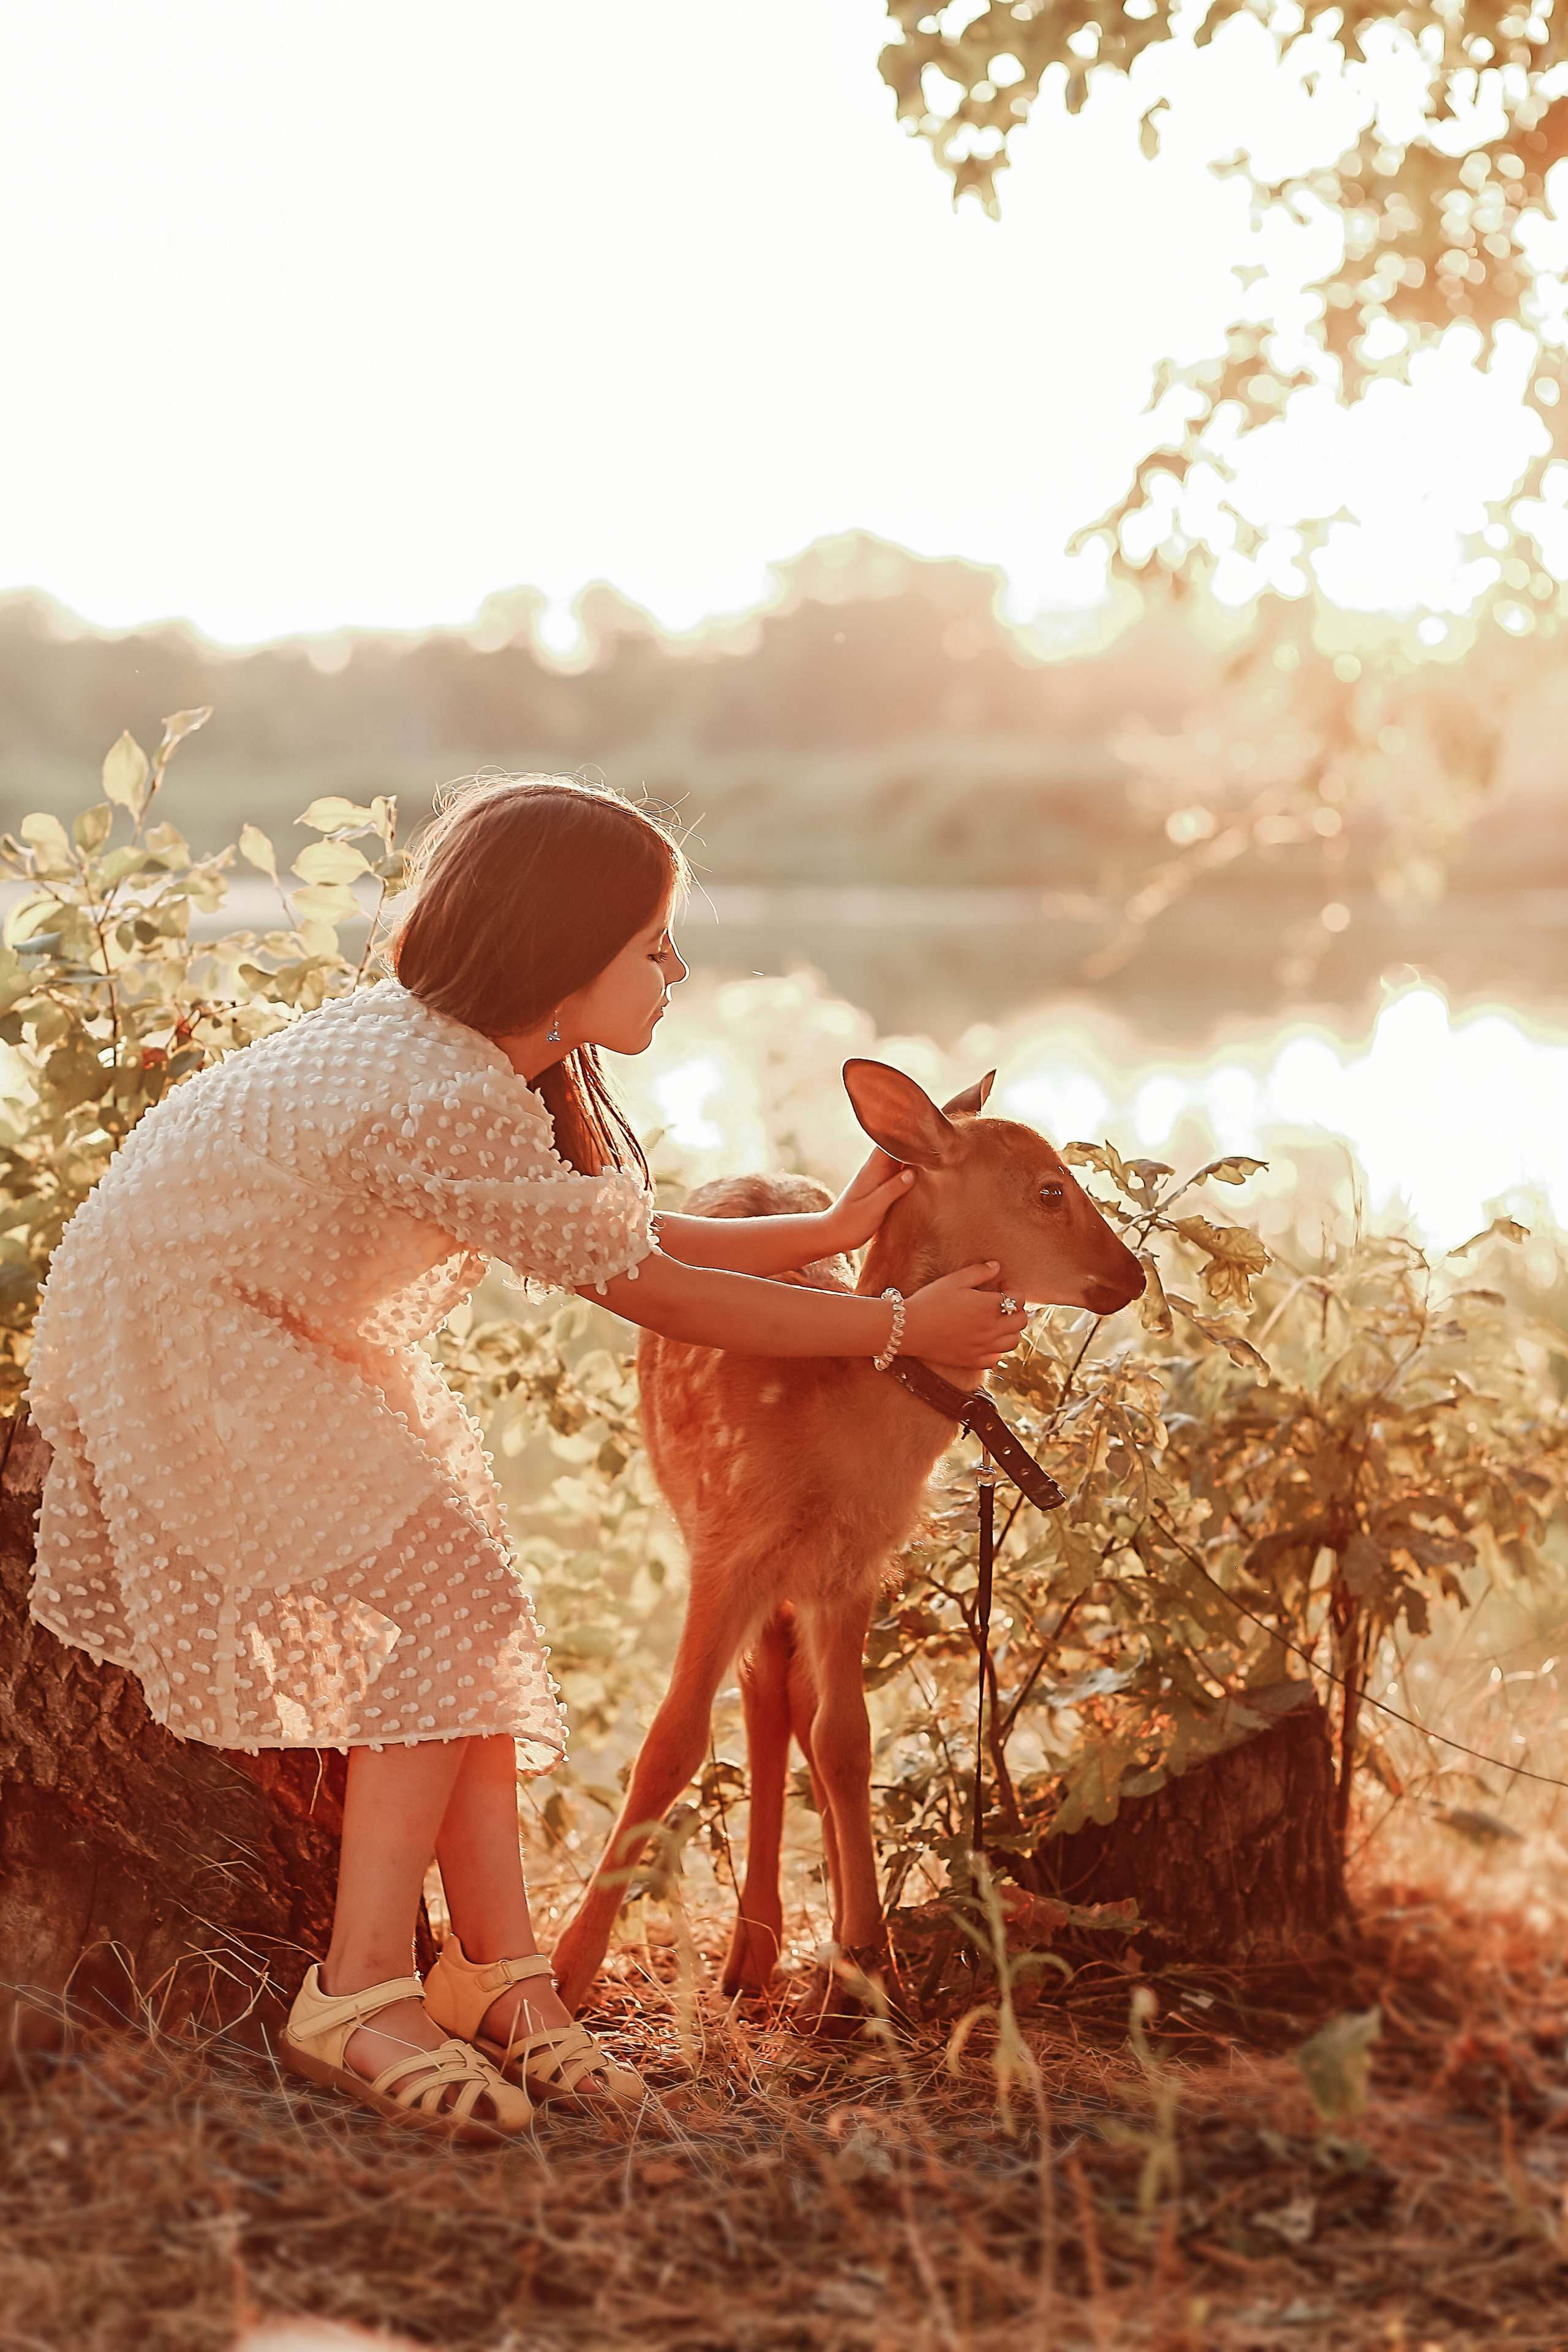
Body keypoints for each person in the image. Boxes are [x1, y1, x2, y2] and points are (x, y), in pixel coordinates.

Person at [26, 775, 1027, 2141]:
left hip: (260, 1316)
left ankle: (491, 1969)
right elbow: (657, 1297)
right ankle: (360, 1987)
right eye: (652, 946)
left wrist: (822, 1233)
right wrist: (899, 1318)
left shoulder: (465, 1057)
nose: (674, 972)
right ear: (563, 957)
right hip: (191, 1329)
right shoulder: (441, 1091)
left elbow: (629, 1240)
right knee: (437, 1603)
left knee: (466, 1605)